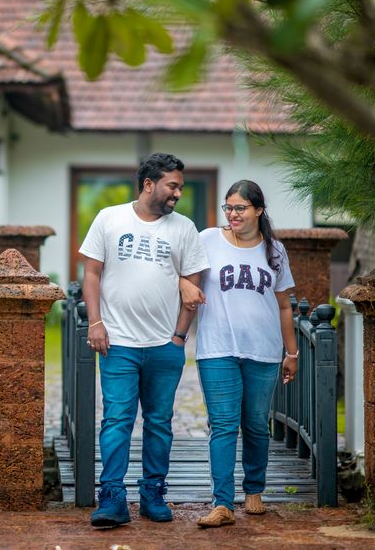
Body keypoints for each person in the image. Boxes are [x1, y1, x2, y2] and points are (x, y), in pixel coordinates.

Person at [79, 153, 209, 528]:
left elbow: (193, 285)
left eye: (181, 187)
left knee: (159, 422)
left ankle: (153, 493)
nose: (178, 193)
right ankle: (112, 498)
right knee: (117, 419)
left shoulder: (183, 228)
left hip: (164, 345)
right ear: (149, 184)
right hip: (117, 341)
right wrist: (96, 322)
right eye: (172, 186)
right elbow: (91, 273)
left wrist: (179, 336)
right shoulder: (110, 218)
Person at [183, 179, 299, 528]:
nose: (233, 214)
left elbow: (283, 306)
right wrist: (184, 285)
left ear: (258, 210)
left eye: (240, 208)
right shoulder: (207, 240)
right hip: (217, 348)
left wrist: (291, 353)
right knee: (222, 425)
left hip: (263, 351)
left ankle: (254, 491)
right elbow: (183, 275)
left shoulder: (274, 251)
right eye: (228, 207)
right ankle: (222, 503)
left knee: (255, 425)